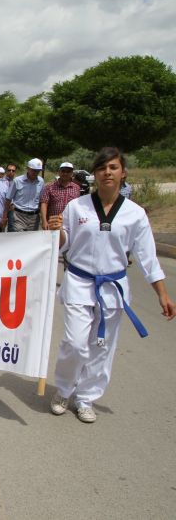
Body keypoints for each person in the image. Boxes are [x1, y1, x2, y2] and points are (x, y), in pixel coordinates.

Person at [47, 147, 175, 424]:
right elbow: (63, 245)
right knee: (76, 342)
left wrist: (162, 294)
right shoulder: (77, 207)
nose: (108, 172)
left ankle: (86, 398)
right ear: (94, 174)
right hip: (79, 281)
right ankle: (64, 389)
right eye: (102, 168)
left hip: (112, 287)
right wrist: (55, 231)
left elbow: (146, 257)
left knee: (101, 347)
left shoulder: (134, 214)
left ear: (123, 173)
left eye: (113, 167)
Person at [4, 158, 44, 232]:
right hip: (18, 216)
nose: (36, 173)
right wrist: (4, 217)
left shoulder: (41, 182)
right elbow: (8, 199)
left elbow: (41, 200)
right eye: (34, 170)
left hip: (34, 218)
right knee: (18, 239)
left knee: (30, 241)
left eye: (38, 171)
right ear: (28, 169)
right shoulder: (17, 181)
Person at [40, 162, 81, 231]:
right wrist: (44, 221)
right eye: (63, 171)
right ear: (59, 172)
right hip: (53, 222)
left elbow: (77, 206)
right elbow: (44, 204)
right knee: (51, 241)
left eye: (68, 171)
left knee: (68, 241)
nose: (65, 173)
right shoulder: (50, 187)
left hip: (69, 223)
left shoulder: (76, 188)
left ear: (72, 173)